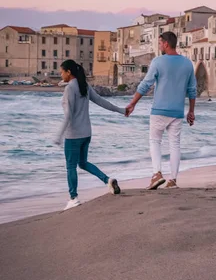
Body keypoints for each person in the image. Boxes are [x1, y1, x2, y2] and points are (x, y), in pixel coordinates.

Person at [125, 31, 196, 189]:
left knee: (155, 141)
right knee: (175, 145)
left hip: (159, 110)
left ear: (166, 44)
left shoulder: (158, 62)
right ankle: (173, 180)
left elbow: (145, 85)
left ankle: (157, 174)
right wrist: (191, 111)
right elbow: (192, 90)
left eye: (160, 43)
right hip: (177, 112)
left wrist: (133, 103)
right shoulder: (187, 64)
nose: (159, 45)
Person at [55, 60, 125, 210]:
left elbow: (68, 115)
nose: (60, 74)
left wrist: (59, 135)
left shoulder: (70, 89)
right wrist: (121, 110)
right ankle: (107, 180)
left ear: (68, 72)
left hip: (73, 135)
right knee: (83, 163)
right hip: (86, 133)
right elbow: (101, 101)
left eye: (62, 72)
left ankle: (73, 198)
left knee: (71, 167)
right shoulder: (83, 85)